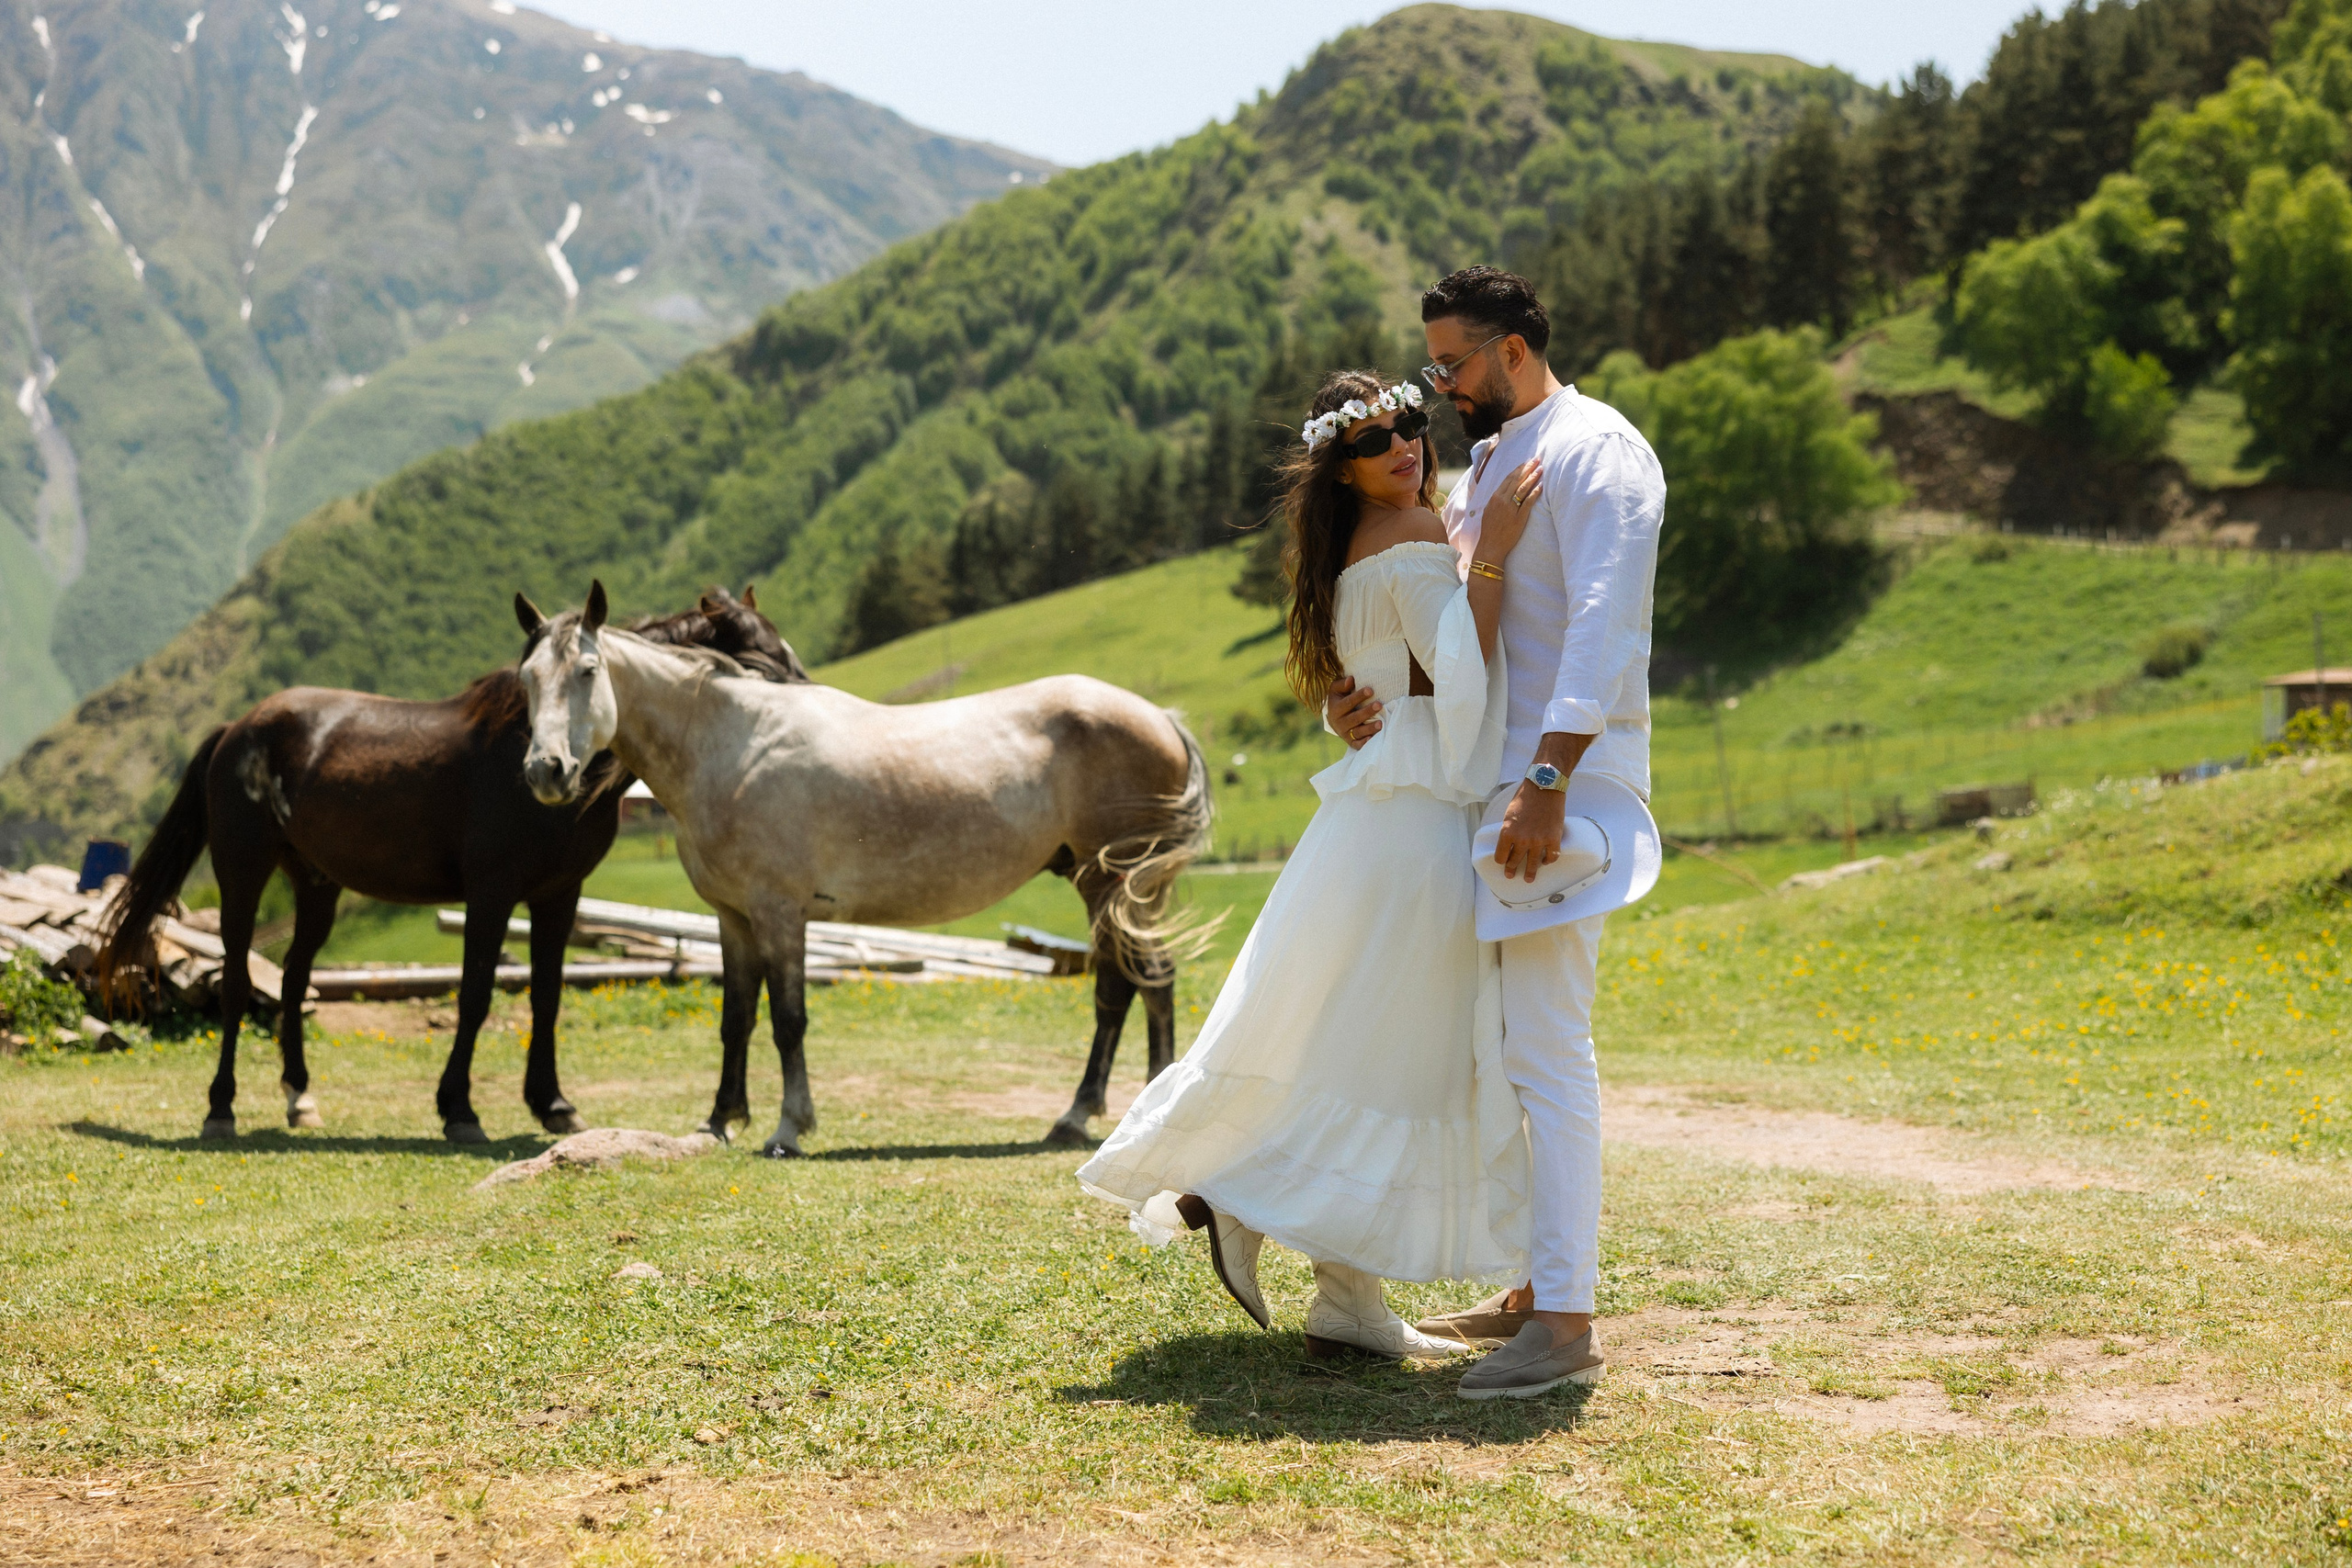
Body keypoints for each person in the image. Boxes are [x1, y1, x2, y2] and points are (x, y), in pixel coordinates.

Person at [1075, 368, 1548, 1359]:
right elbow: (1461, 682)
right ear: (1341, 468)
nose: (1404, 448)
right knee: (1395, 1053)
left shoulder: (1342, 557)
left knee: (1355, 1041)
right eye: (1376, 442)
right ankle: (1261, 1209)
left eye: (1411, 427)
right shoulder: (1416, 540)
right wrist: (1493, 560)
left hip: (1368, 820)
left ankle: (1335, 1285)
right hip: (1412, 821)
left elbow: (1382, 683)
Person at [1328, 265, 1665, 1399]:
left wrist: (1547, 776)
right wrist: (1356, 695)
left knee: (1548, 1051)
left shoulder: (1595, 450)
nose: (1441, 385)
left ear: (1514, 350)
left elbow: (1601, 628)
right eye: (1433, 365)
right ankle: (1533, 1288)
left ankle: (1564, 1322)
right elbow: (1462, 638)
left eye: (1454, 363)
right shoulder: (1488, 462)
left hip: (1555, 792)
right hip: (1495, 791)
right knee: (1506, 1048)